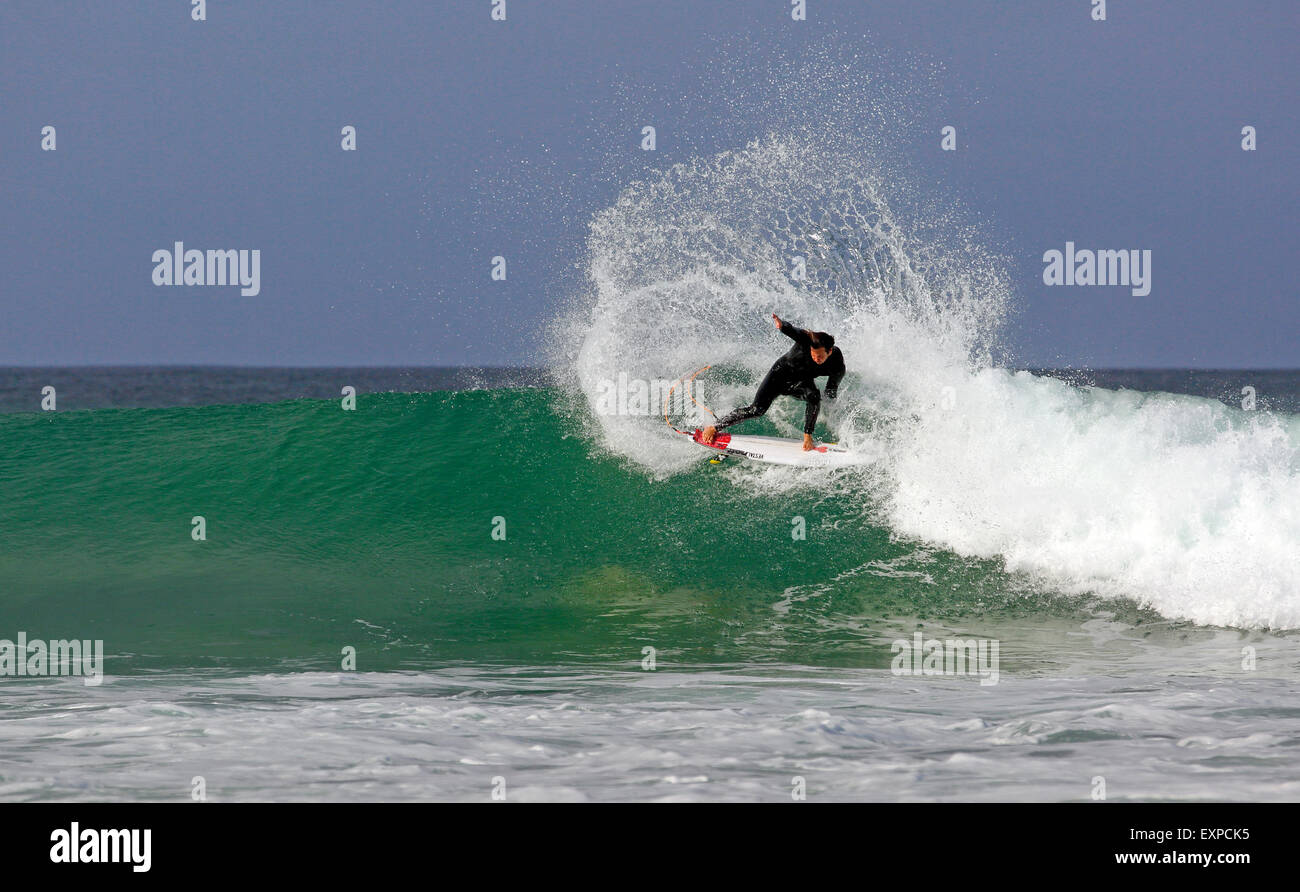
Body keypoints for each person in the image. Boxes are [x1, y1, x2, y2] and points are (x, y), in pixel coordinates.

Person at [702, 313, 845, 451]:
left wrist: (829, 412)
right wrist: (782, 325)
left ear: (830, 351)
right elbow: (794, 331)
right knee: (756, 410)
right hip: (779, 376)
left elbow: (831, 390)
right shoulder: (806, 341)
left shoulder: (837, 365)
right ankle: (714, 427)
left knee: (814, 396)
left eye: (820, 356)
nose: (816, 359)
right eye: (814, 355)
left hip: (800, 383)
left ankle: (808, 436)